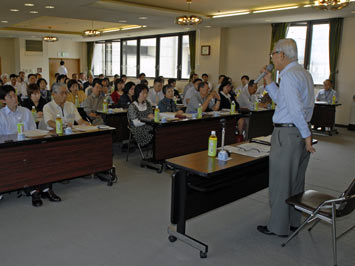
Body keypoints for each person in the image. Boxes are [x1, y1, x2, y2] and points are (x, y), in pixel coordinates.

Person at [257, 38, 315, 237]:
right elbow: (284, 101)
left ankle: (278, 227)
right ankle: (292, 222)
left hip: (289, 133)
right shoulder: (303, 73)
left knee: (281, 182)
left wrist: (306, 136)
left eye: (273, 54)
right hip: (299, 130)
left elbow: (295, 109)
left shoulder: (289, 76)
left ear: (281, 55)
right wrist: (269, 81)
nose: (272, 57)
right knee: (295, 180)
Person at [0, 85, 61, 207]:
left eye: (15, 95)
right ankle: (33, 192)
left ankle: (46, 189)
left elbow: (33, 131)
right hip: (10, 150)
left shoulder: (26, 112)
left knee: (42, 156)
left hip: (28, 146)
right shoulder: (1, 115)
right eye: (10, 97)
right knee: (24, 161)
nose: (14, 98)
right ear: (3, 101)